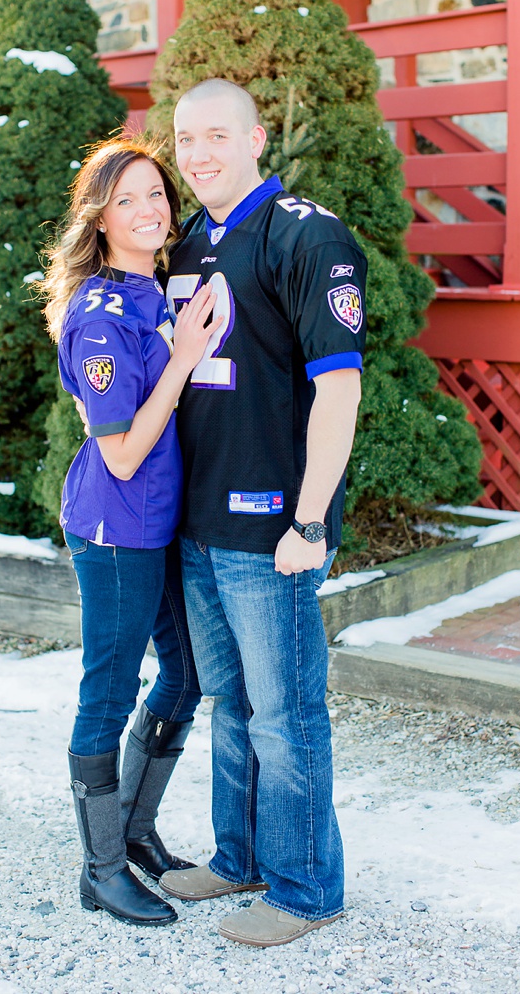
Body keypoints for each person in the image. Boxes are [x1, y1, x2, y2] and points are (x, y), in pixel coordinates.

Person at [155, 78, 366, 948]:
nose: (198, 155)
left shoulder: (307, 234)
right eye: (184, 139)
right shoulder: (188, 242)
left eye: (216, 136)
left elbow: (340, 386)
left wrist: (310, 520)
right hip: (199, 522)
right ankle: (240, 855)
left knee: (285, 715)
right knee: (232, 704)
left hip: (272, 523)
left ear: (256, 139)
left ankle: (308, 889)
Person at [41, 136, 223, 926]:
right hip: (117, 529)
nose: (149, 209)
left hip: (163, 522)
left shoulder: (159, 290)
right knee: (108, 691)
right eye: (128, 199)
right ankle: (101, 869)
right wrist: (183, 358)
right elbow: (119, 453)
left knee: (184, 676)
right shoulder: (101, 313)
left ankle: (135, 833)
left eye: (157, 194)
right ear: (101, 218)